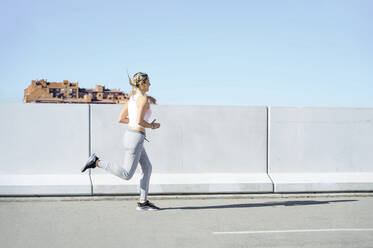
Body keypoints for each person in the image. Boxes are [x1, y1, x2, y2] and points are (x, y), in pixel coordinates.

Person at [81, 72, 161, 211]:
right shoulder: (143, 99)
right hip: (135, 138)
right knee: (126, 174)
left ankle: (143, 202)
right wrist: (152, 126)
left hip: (133, 136)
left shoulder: (133, 98)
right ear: (142, 84)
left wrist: (138, 123)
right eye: (148, 82)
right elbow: (139, 121)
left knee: (147, 168)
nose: (150, 84)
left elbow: (121, 119)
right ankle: (96, 162)